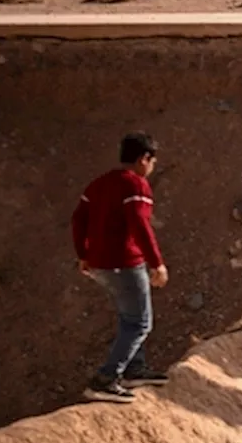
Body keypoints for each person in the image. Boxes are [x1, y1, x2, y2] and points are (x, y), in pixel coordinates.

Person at [71, 132, 170, 404]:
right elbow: (140, 225)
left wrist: (83, 254)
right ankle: (106, 379)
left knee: (129, 316)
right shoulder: (135, 185)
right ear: (143, 159)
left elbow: (78, 219)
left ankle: (134, 369)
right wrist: (157, 264)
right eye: (152, 162)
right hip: (123, 263)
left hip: (99, 265)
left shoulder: (99, 184)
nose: (151, 168)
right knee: (140, 322)